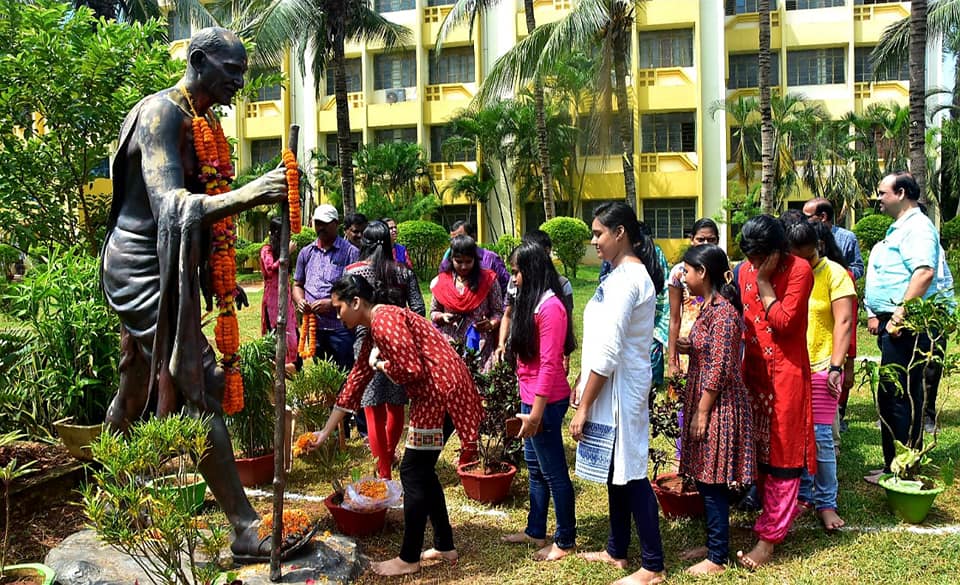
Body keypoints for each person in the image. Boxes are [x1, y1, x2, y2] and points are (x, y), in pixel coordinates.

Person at [99, 27, 296, 562]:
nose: (238, 82)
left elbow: (199, 205)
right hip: (139, 265)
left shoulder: (202, 120)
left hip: (169, 265)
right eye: (231, 70)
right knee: (200, 378)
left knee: (136, 382)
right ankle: (245, 527)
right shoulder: (162, 114)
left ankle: (108, 491)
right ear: (199, 60)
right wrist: (252, 194)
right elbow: (170, 206)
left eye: (242, 72)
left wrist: (215, 270)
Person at [306, 274, 484, 577]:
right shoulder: (375, 327)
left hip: (440, 395)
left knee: (413, 471)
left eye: (339, 309)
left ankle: (409, 558)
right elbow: (355, 382)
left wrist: (381, 365)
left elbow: (410, 370)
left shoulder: (383, 321)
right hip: (437, 394)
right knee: (422, 471)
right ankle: (444, 545)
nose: (337, 316)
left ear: (356, 302)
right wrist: (324, 432)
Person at [570, 201, 666, 585]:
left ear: (620, 233)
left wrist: (584, 405)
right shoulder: (615, 275)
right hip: (610, 386)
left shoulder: (629, 279)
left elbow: (610, 352)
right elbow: (598, 342)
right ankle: (616, 549)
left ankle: (653, 565)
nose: (594, 241)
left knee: (632, 470)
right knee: (616, 470)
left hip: (622, 388)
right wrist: (583, 380)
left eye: (598, 233)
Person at [735, 215, 815, 571]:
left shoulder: (799, 270)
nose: (753, 265)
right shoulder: (742, 271)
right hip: (753, 373)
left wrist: (766, 282)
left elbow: (784, 322)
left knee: (783, 458)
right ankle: (768, 520)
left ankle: (768, 541)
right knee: (759, 455)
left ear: (778, 250)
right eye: (749, 258)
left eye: (759, 258)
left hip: (786, 376)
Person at [863, 172, 952, 484]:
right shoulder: (902, 227)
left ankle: (904, 468)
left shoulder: (917, 228)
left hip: (910, 324)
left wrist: (900, 313)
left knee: (903, 396)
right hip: (897, 322)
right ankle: (893, 465)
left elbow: (925, 272)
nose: (879, 198)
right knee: (891, 393)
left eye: (882, 192)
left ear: (900, 193)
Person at [675, 244, 755, 576]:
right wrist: (689, 346)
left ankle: (717, 557)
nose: (683, 276)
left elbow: (721, 367)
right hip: (706, 398)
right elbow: (708, 352)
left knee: (713, 480)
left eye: (687, 271)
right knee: (707, 479)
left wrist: (702, 412)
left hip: (718, 404)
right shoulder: (707, 308)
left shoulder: (723, 313)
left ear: (703, 273)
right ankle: (713, 544)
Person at [501, 242, 576, 562]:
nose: (513, 279)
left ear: (531, 270)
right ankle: (535, 529)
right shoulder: (530, 302)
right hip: (530, 399)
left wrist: (536, 414)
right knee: (534, 467)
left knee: (554, 471)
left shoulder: (550, 308)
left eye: (516, 272)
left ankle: (565, 539)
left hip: (545, 402)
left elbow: (549, 364)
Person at [787, 221, 855, 531]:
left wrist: (837, 367)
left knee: (821, 437)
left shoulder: (835, 275)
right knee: (796, 436)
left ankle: (827, 502)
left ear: (817, 247)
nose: (798, 260)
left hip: (822, 365)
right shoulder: (789, 272)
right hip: (792, 368)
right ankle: (803, 494)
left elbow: (843, 323)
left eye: (803, 254)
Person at [345, 220, 425, 479]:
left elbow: (348, 308)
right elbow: (419, 308)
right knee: (395, 406)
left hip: (365, 341)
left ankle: (384, 472)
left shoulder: (353, 272)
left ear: (364, 243)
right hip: (396, 343)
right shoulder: (403, 272)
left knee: (372, 408)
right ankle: (389, 456)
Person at [495, 230, 575, 372]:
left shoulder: (561, 287)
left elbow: (566, 323)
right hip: (520, 352)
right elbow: (507, 314)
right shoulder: (515, 282)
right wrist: (501, 343)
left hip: (544, 359)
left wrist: (566, 357)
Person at [292, 204, 359, 371]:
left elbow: (355, 289)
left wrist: (332, 303)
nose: (320, 227)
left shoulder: (350, 252)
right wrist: (300, 300)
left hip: (341, 328)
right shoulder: (306, 252)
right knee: (322, 373)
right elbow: (297, 284)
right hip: (315, 327)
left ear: (336, 223)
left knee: (344, 372)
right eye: (317, 223)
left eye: (325, 223)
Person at [430, 235, 503, 370]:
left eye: (469, 261)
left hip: (480, 346)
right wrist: (443, 317)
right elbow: (433, 312)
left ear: (475, 259)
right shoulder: (442, 282)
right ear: (451, 259)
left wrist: (490, 324)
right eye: (459, 261)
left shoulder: (488, 280)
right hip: (450, 347)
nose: (464, 267)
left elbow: (498, 312)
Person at [667, 218, 721, 379]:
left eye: (711, 240)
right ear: (692, 240)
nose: (705, 243)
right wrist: (671, 362)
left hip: (716, 341)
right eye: (700, 239)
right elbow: (674, 318)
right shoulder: (679, 272)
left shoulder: (724, 270)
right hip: (686, 342)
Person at [260, 217, 301, 375]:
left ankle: (290, 366)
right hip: (273, 299)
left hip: (286, 296)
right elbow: (270, 268)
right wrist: (287, 253)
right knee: (276, 333)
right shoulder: (266, 250)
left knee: (291, 333)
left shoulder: (280, 251)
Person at [439, 221, 510, 295]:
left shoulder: (491, 259)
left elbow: (506, 287)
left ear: (473, 237)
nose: (456, 242)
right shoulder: (447, 262)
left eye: (461, 237)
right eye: (452, 240)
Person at [803, 197, 865, 280]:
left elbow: (858, 269)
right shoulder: (803, 236)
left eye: (806, 217)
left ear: (823, 217)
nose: (803, 221)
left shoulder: (847, 238)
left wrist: (838, 270)